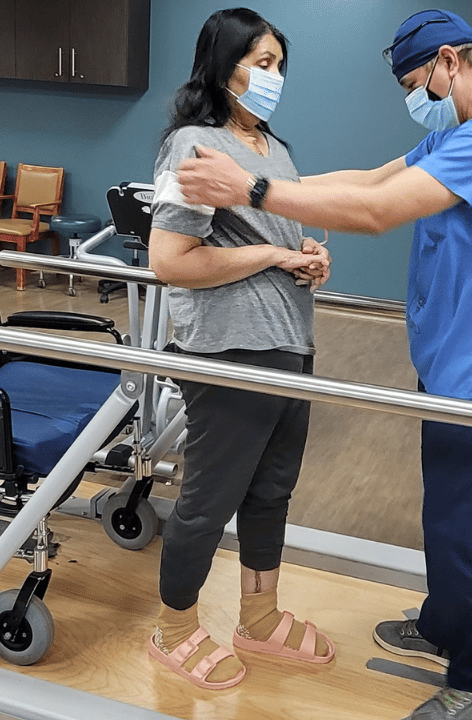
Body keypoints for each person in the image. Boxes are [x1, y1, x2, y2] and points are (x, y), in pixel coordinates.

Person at [178, 9, 472, 719]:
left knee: (455, 521)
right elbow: (373, 177)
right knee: (443, 509)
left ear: (450, 62)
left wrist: (250, 191)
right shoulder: (464, 126)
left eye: (418, 84)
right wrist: (269, 181)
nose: (417, 100)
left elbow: (382, 212)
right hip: (452, 354)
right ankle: (446, 624)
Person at [145, 7, 334, 691]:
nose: (273, 76)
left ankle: (257, 615)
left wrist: (308, 257)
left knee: (271, 494)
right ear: (221, 65)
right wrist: (270, 256)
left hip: (290, 343)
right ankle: (172, 630)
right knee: (209, 498)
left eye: (279, 65)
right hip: (229, 350)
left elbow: (273, 244)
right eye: (261, 62)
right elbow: (170, 259)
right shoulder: (195, 145)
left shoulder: (274, 151)